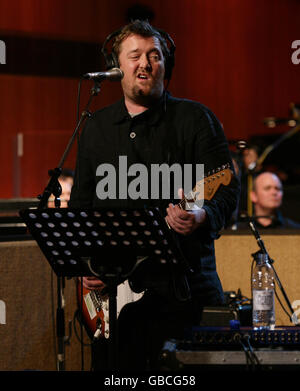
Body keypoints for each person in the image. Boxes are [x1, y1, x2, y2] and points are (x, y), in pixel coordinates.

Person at [69, 20, 239, 370]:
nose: (145, 63)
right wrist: (87, 266)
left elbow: (226, 190)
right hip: (114, 295)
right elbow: (81, 206)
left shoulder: (196, 120)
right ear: (117, 67)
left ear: (165, 64)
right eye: (135, 55)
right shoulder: (96, 127)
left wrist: (201, 215)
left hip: (185, 293)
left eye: (154, 55)